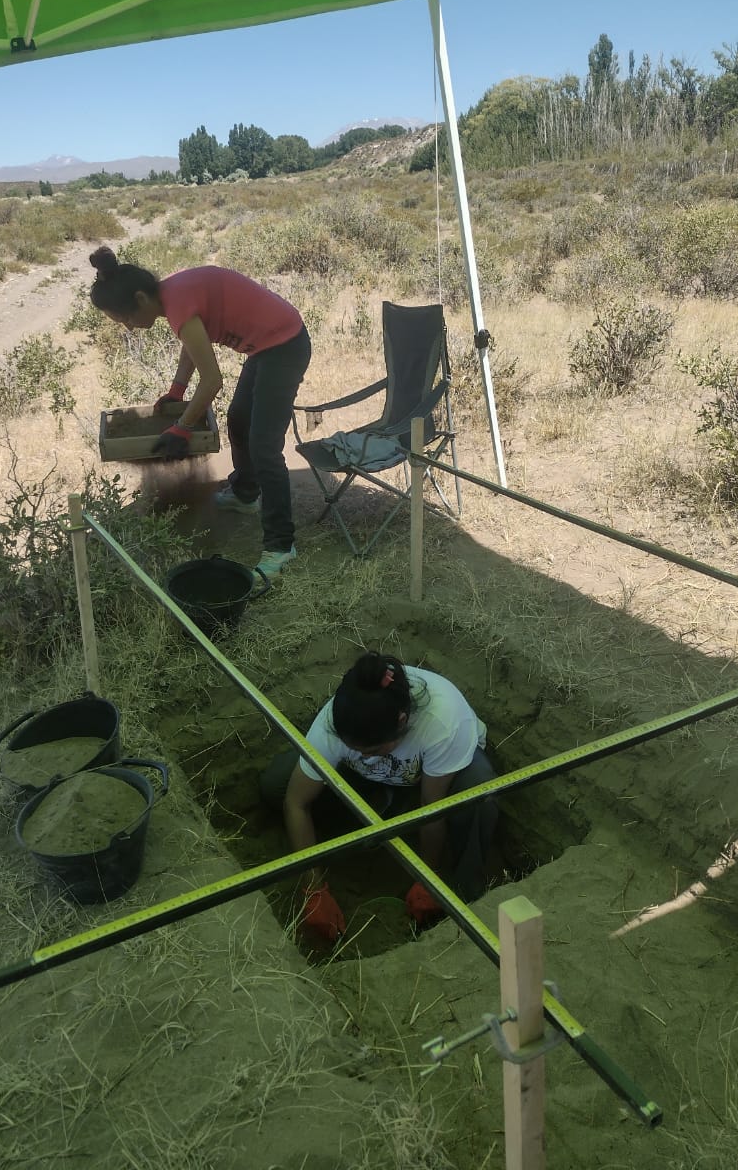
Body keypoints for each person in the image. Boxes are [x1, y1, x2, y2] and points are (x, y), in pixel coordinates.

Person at [88, 247, 311, 579]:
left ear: (140, 298)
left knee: (264, 447)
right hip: (265, 348)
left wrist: (181, 427)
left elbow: (212, 381)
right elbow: (193, 341)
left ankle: (280, 546)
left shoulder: (178, 302)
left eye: (126, 319)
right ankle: (245, 493)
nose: (130, 328)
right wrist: (177, 390)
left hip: (284, 346)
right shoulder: (172, 296)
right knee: (238, 419)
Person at [260, 651, 498, 942]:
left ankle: (461, 892)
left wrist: (428, 877)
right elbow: (296, 803)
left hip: (435, 780)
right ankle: (376, 810)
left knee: (479, 794)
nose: (363, 755)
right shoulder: (337, 723)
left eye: (371, 751)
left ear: (401, 722)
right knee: (277, 785)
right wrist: (314, 890)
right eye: (354, 749)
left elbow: (431, 808)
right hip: (372, 778)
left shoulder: (443, 723)